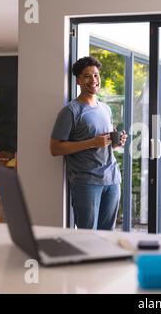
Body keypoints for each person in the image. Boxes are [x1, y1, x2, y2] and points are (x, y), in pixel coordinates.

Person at [50, 56, 127, 230]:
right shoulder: (71, 111)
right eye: (87, 76)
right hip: (86, 182)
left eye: (96, 75)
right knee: (87, 235)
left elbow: (105, 145)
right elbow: (55, 148)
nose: (93, 80)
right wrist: (93, 142)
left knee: (107, 234)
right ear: (78, 80)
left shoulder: (105, 108)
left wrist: (116, 142)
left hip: (112, 179)